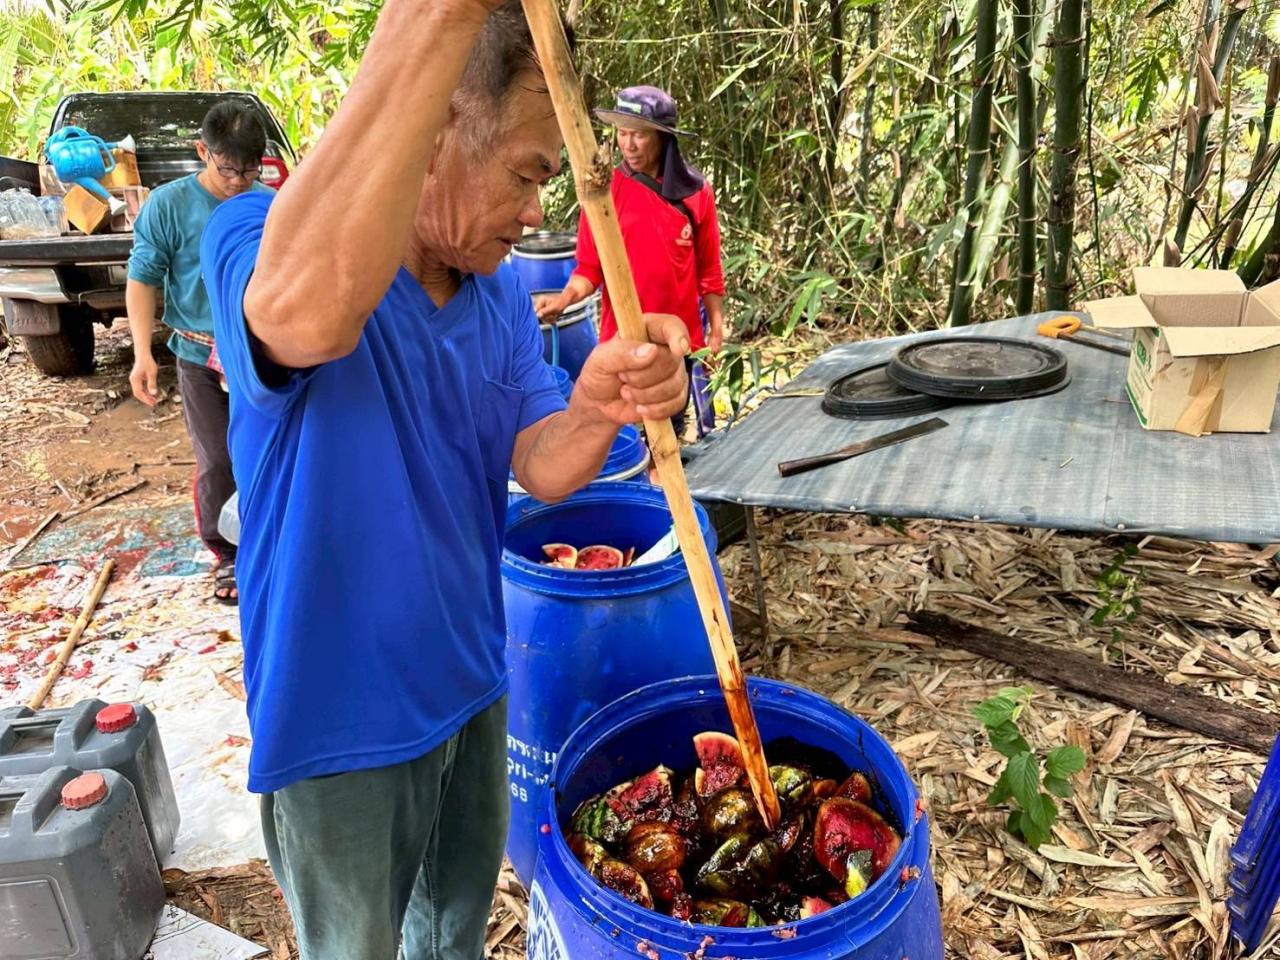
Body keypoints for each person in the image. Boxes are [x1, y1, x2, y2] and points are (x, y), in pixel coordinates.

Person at [199, 1, 688, 958]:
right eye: (524, 173)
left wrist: (598, 404)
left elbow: (541, 467)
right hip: (340, 726)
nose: (538, 209)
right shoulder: (258, 233)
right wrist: (438, 17)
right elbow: (307, 322)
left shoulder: (498, 293)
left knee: (450, 937)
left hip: (472, 684)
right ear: (433, 135)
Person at [126, 100, 274, 605]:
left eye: (249, 168)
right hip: (198, 353)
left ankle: (271, 543)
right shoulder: (169, 206)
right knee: (216, 459)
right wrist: (142, 354)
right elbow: (142, 279)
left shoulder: (268, 204)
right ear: (202, 152)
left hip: (257, 354)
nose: (237, 181)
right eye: (227, 167)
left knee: (268, 450)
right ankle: (227, 554)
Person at [535, 84, 726, 437]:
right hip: (622, 340)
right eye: (622, 134)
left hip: (677, 343)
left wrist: (716, 329)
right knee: (629, 440)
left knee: (671, 438)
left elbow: (709, 271)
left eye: (638, 135)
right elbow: (589, 269)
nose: (628, 145)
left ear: (663, 138)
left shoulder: (698, 194)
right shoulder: (605, 190)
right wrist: (564, 300)